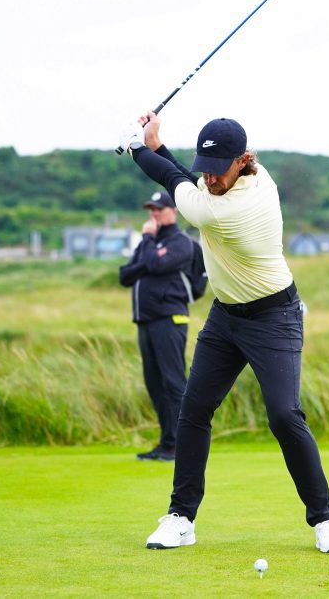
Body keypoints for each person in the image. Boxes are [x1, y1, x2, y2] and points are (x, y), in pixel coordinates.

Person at [121, 111, 329, 554]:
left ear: (244, 161)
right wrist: (155, 144)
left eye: (217, 169)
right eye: (204, 167)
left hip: (274, 317)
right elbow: (185, 177)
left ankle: (325, 520)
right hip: (226, 316)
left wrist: (136, 148)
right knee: (193, 409)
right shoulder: (231, 183)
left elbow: (174, 181)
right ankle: (181, 517)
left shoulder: (235, 207)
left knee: (284, 415)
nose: (208, 177)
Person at [119, 190, 193, 462]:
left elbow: (156, 264)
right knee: (155, 384)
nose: (154, 214)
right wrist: (149, 258)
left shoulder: (180, 242)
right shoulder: (149, 243)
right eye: (151, 209)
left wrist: (149, 248)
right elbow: (125, 275)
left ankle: (182, 445)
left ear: (174, 210)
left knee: (173, 383)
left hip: (169, 318)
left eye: (159, 209)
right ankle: (167, 443)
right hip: (147, 320)